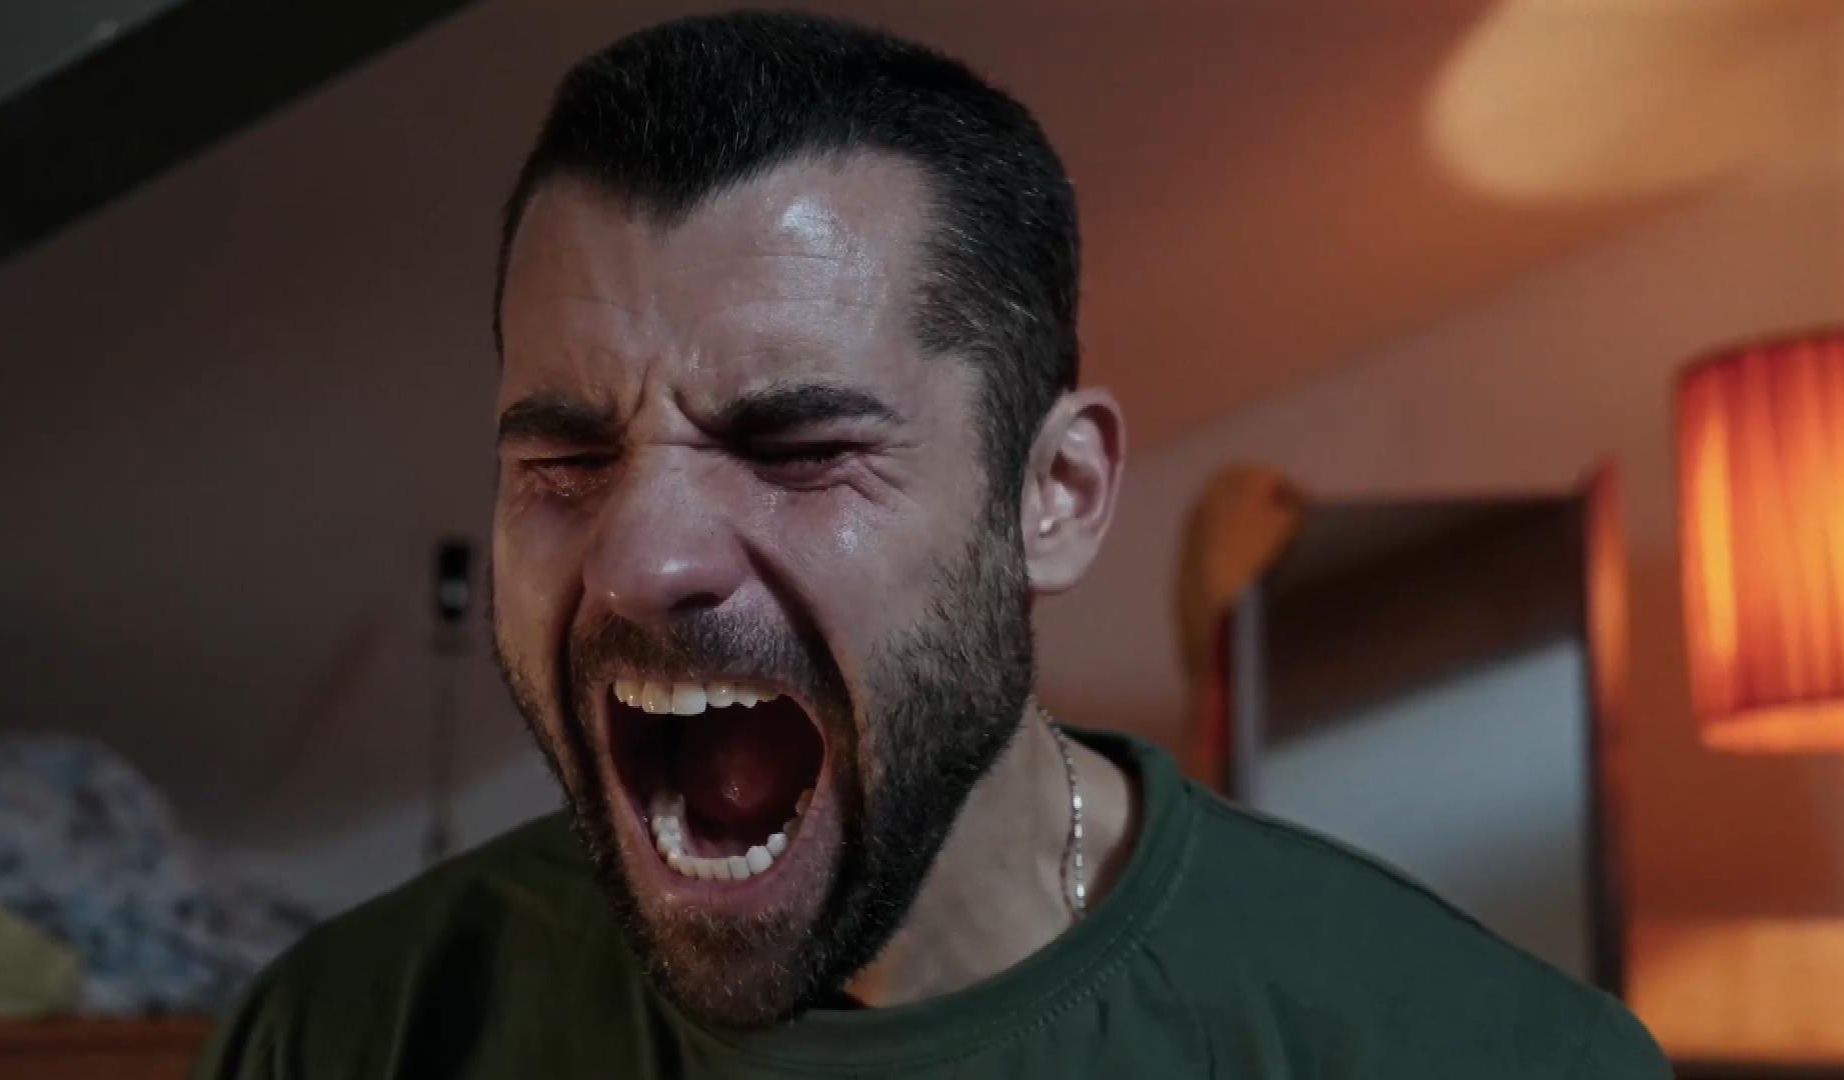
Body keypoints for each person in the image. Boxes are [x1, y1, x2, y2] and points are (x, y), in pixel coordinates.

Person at [195, 11, 1671, 1077]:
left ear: (1057, 493)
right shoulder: (346, 1035)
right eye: (566, 458)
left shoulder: (1479, 1053)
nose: (642, 562)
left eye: (800, 449)